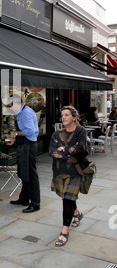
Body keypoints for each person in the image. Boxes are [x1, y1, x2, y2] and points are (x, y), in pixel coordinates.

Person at [49, 106, 88, 247]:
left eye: (66, 115)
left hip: (75, 171)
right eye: (62, 115)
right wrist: (69, 151)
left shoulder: (80, 131)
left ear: (74, 117)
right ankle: (76, 213)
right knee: (68, 196)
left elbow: (81, 149)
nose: (63, 117)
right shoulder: (57, 133)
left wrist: (63, 149)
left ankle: (64, 231)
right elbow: (51, 151)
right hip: (59, 171)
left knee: (67, 199)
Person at [7, 95, 40, 213]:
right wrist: (15, 138)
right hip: (24, 145)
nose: (10, 108)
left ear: (16, 104)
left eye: (10, 105)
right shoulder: (23, 112)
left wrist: (15, 134)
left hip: (28, 146)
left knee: (31, 174)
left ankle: (35, 203)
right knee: (25, 172)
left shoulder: (25, 113)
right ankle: (24, 199)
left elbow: (30, 131)